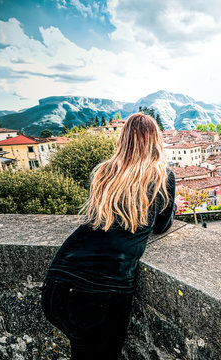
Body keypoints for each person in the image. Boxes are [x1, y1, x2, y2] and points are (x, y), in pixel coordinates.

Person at [41, 113, 187, 359]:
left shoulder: (104, 171)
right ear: (155, 140)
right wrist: (173, 206)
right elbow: (161, 226)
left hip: (58, 281)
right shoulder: (161, 175)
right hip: (99, 292)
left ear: (124, 139)